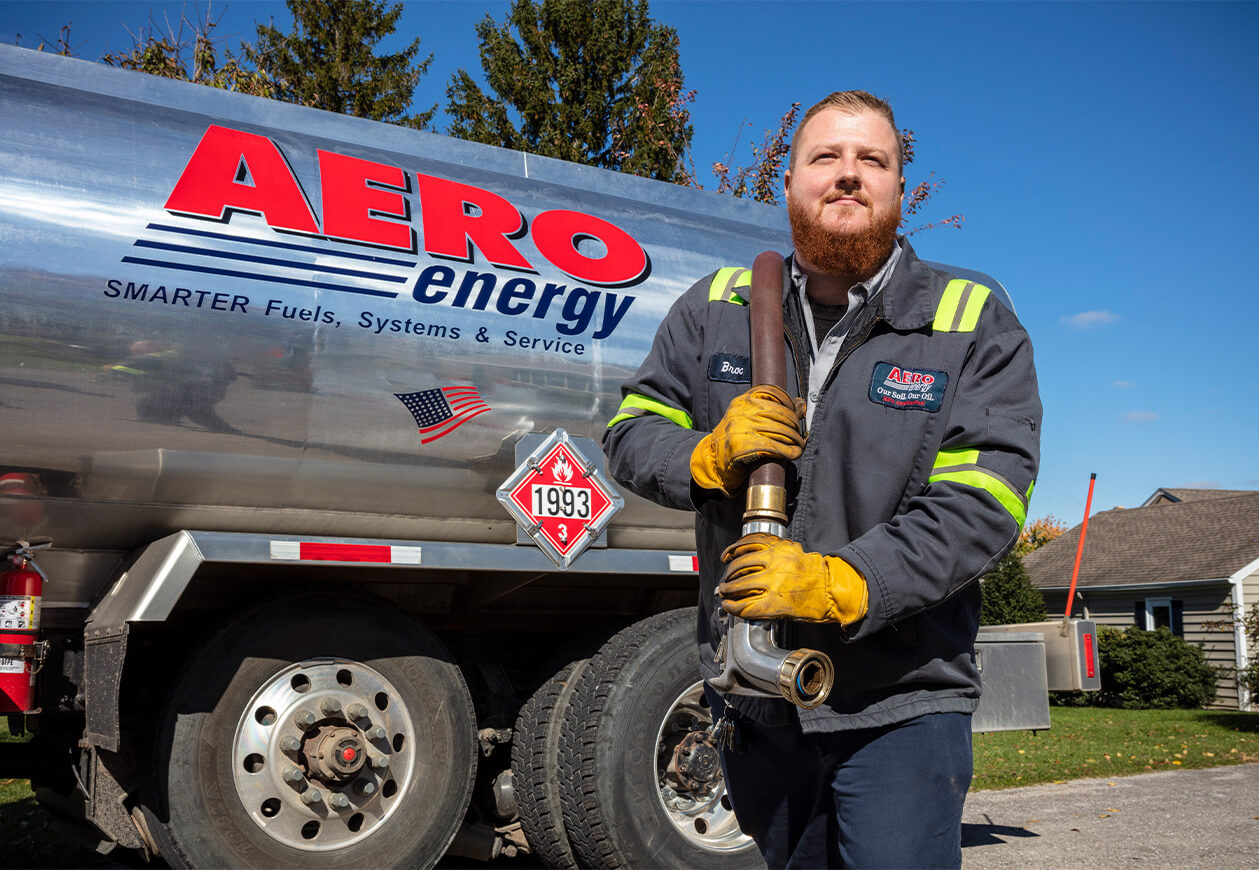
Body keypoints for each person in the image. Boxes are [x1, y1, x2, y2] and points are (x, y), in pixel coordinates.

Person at [603, 90, 1041, 868]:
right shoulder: (714, 309)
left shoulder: (969, 316)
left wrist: (842, 583)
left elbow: (986, 499)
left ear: (899, 191)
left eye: (871, 160)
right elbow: (630, 432)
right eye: (825, 158)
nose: (847, 175)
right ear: (788, 184)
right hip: (754, 695)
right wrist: (703, 456)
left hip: (900, 699)